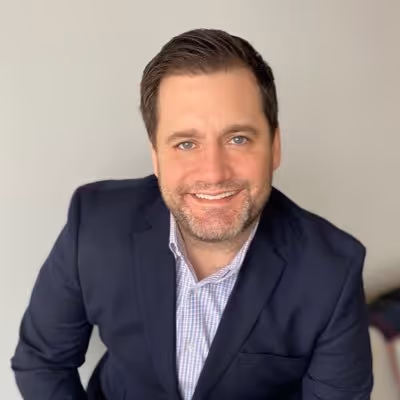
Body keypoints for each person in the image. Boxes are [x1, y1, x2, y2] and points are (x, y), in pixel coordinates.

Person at [11, 28, 373, 400]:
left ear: (275, 146)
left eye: (238, 138)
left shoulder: (332, 270)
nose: (214, 173)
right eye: (186, 143)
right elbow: (42, 362)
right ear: (156, 156)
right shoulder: (95, 223)